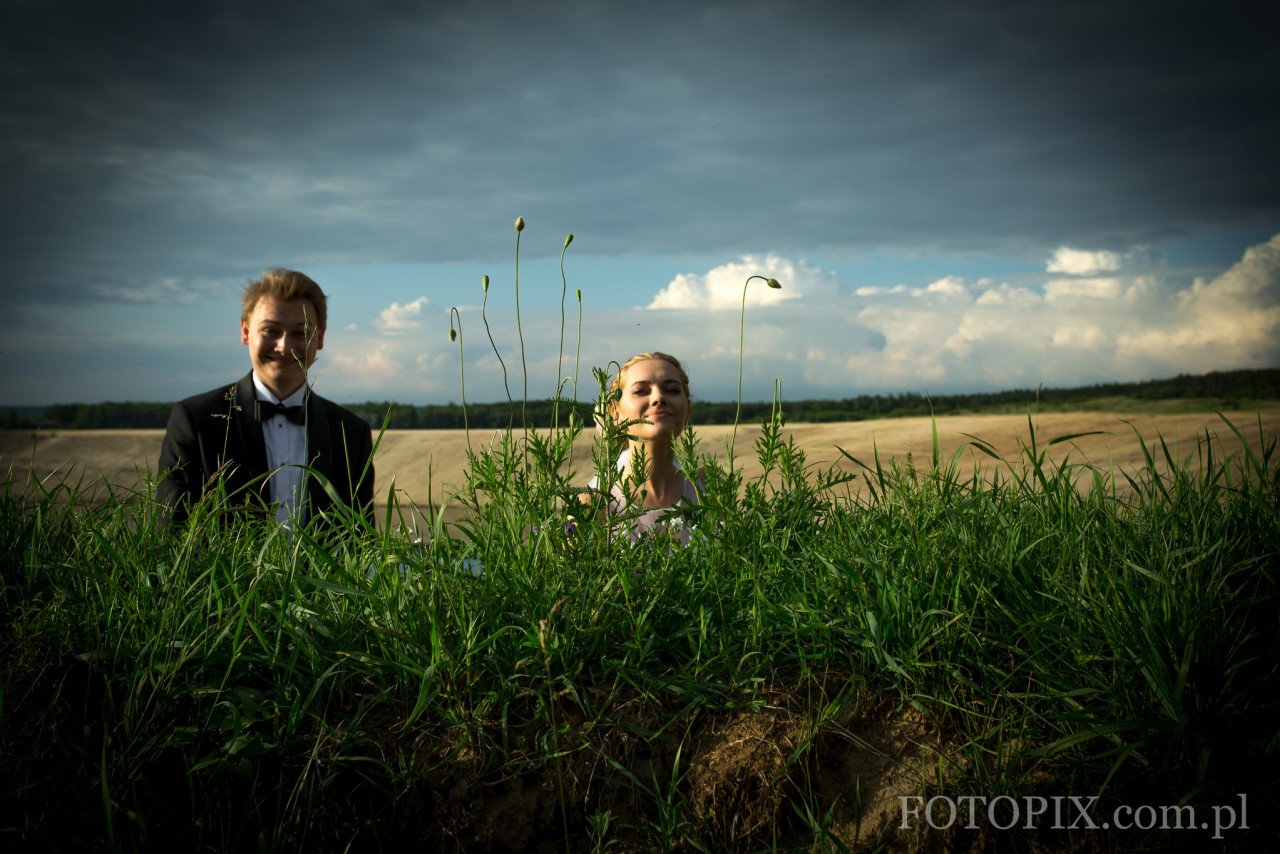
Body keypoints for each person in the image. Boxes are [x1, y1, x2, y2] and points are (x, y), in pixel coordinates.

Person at [157, 268, 374, 527]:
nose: (284, 347)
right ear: (246, 332)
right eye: (271, 331)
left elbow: (359, 543)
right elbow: (170, 532)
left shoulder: (351, 433)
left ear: (320, 338)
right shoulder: (195, 421)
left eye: (300, 332)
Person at [585, 352, 700, 544]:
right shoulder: (593, 505)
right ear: (615, 412)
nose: (659, 398)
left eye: (671, 390)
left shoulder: (710, 490)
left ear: (688, 409)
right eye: (641, 391)